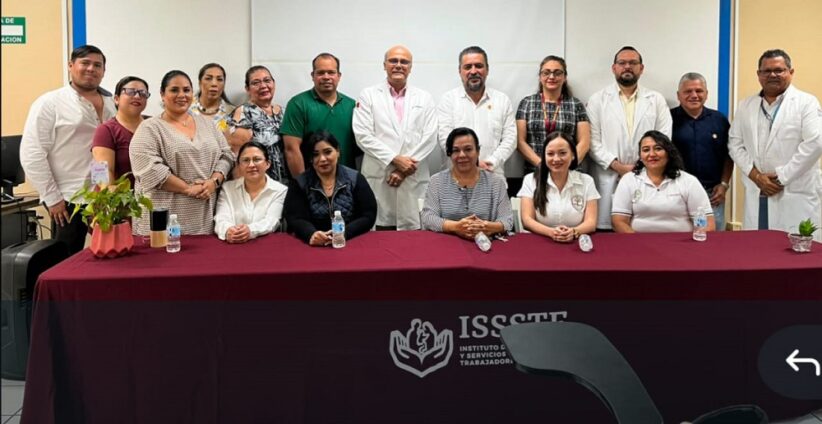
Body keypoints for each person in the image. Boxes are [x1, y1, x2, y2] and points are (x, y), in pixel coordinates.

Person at [20, 45, 116, 254]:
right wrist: (52, 198)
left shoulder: (112, 103)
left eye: (97, 65)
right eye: (85, 63)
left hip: (104, 194)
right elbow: (32, 153)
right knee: (66, 258)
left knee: (111, 253)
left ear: (103, 71)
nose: (91, 69)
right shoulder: (50, 103)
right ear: (71, 65)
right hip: (68, 198)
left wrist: (107, 192)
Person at [728, 49, 822, 239]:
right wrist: (756, 176)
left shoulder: (806, 103)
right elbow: (735, 144)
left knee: (797, 248)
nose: (772, 75)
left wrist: (781, 177)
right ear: (758, 74)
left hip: (794, 192)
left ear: (791, 72)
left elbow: (815, 143)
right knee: (758, 246)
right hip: (758, 190)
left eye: (779, 70)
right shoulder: (746, 105)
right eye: (766, 71)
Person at [129, 70, 234, 235]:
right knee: (164, 251)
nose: (182, 95)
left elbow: (227, 155)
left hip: (203, 220)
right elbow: (148, 169)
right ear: (162, 94)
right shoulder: (149, 128)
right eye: (174, 90)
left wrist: (214, 182)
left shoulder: (208, 124)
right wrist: (187, 189)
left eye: (186, 90)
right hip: (161, 222)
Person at [353, 45, 438, 230]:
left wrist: (403, 170)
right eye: (393, 61)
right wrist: (394, 159)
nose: (398, 65)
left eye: (404, 62)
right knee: (379, 235)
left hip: (412, 178)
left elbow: (430, 137)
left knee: (415, 236)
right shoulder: (368, 95)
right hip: (380, 176)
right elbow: (362, 135)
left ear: (410, 67)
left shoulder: (424, 98)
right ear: (384, 65)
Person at [587, 46, 672, 230]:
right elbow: (592, 142)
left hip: (647, 175)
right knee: (607, 235)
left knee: (641, 231)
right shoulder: (597, 100)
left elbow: (664, 139)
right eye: (622, 63)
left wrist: (641, 166)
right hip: (608, 175)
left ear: (641, 68)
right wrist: (618, 166)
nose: (627, 67)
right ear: (614, 68)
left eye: (633, 63)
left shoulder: (656, 100)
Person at [284, 131, 377, 246]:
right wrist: (311, 234)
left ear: (337, 151)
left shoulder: (355, 178)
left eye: (328, 152)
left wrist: (343, 233)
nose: (322, 159)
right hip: (313, 245)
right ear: (310, 158)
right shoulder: (299, 183)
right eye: (316, 154)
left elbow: (368, 215)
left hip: (349, 242)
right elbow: (295, 218)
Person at [612, 130, 714, 233]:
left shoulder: (689, 181)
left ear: (669, 153)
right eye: (646, 150)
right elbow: (619, 222)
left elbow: (708, 224)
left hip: (681, 242)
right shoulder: (629, 180)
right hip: (638, 241)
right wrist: (638, 242)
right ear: (640, 156)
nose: (652, 154)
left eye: (658, 148)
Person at [437, 46, 516, 178]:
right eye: (468, 67)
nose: (473, 71)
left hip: (493, 176)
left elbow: (510, 139)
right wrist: (474, 163)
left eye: (478, 66)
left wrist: (492, 162)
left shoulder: (502, 100)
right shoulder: (448, 100)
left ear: (487, 70)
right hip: (456, 179)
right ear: (460, 71)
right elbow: (445, 138)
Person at [421, 127, 513, 238]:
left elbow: (507, 220)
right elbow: (428, 217)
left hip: (486, 243)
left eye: (468, 149)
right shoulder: (437, 181)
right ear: (449, 153)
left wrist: (487, 227)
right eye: (456, 150)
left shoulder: (496, 182)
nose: (462, 155)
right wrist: (456, 227)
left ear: (478, 151)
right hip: (446, 243)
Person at [670, 72, 732, 231]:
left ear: (706, 94)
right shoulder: (668, 119)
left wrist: (724, 184)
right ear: (678, 95)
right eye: (688, 91)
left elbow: (729, 155)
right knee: (677, 238)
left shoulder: (719, 120)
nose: (694, 95)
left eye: (699, 91)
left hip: (712, 195)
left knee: (712, 238)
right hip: (676, 192)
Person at [280, 53, 358, 176]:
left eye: (331, 72)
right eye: (321, 73)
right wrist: (303, 183)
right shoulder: (298, 104)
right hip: (312, 181)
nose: (326, 77)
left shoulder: (352, 105)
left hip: (347, 180)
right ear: (313, 76)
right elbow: (291, 150)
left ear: (339, 76)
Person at [517, 131, 599, 242]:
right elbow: (527, 220)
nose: (556, 159)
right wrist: (551, 232)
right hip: (541, 241)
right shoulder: (530, 180)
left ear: (573, 155)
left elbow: (591, 222)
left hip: (575, 241)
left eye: (562, 153)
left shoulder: (587, 181)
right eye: (550, 154)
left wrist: (574, 232)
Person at [516, 55, 590, 174]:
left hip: (569, 172)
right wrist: (542, 165)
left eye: (557, 73)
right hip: (536, 171)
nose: (551, 77)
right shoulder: (527, 103)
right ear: (540, 77)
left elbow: (584, 142)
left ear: (565, 77)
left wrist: (567, 165)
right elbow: (520, 142)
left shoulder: (576, 104)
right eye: (546, 73)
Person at [214, 141, 287, 243]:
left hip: (265, 245)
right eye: (246, 160)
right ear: (239, 165)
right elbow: (221, 217)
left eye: (257, 159)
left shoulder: (280, 190)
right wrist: (228, 230)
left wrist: (250, 230)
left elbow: (272, 221)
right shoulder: (228, 188)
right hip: (232, 245)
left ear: (267, 164)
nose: (251, 165)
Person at [225, 66, 289, 183]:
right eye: (256, 83)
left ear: (273, 83)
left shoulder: (285, 112)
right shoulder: (243, 113)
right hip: (258, 185)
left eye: (267, 80)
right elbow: (238, 157)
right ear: (247, 89)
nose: (263, 86)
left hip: (286, 184)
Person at [92, 76, 150, 187]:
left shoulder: (154, 125)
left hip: (153, 196)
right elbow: (99, 174)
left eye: (143, 93)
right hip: (118, 197)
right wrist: (110, 194)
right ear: (116, 99)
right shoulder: (105, 130)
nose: (137, 96)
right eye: (130, 92)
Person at [189, 63, 234, 129]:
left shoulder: (232, 113)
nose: (214, 84)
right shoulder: (186, 107)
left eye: (219, 79)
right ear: (200, 82)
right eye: (208, 78)